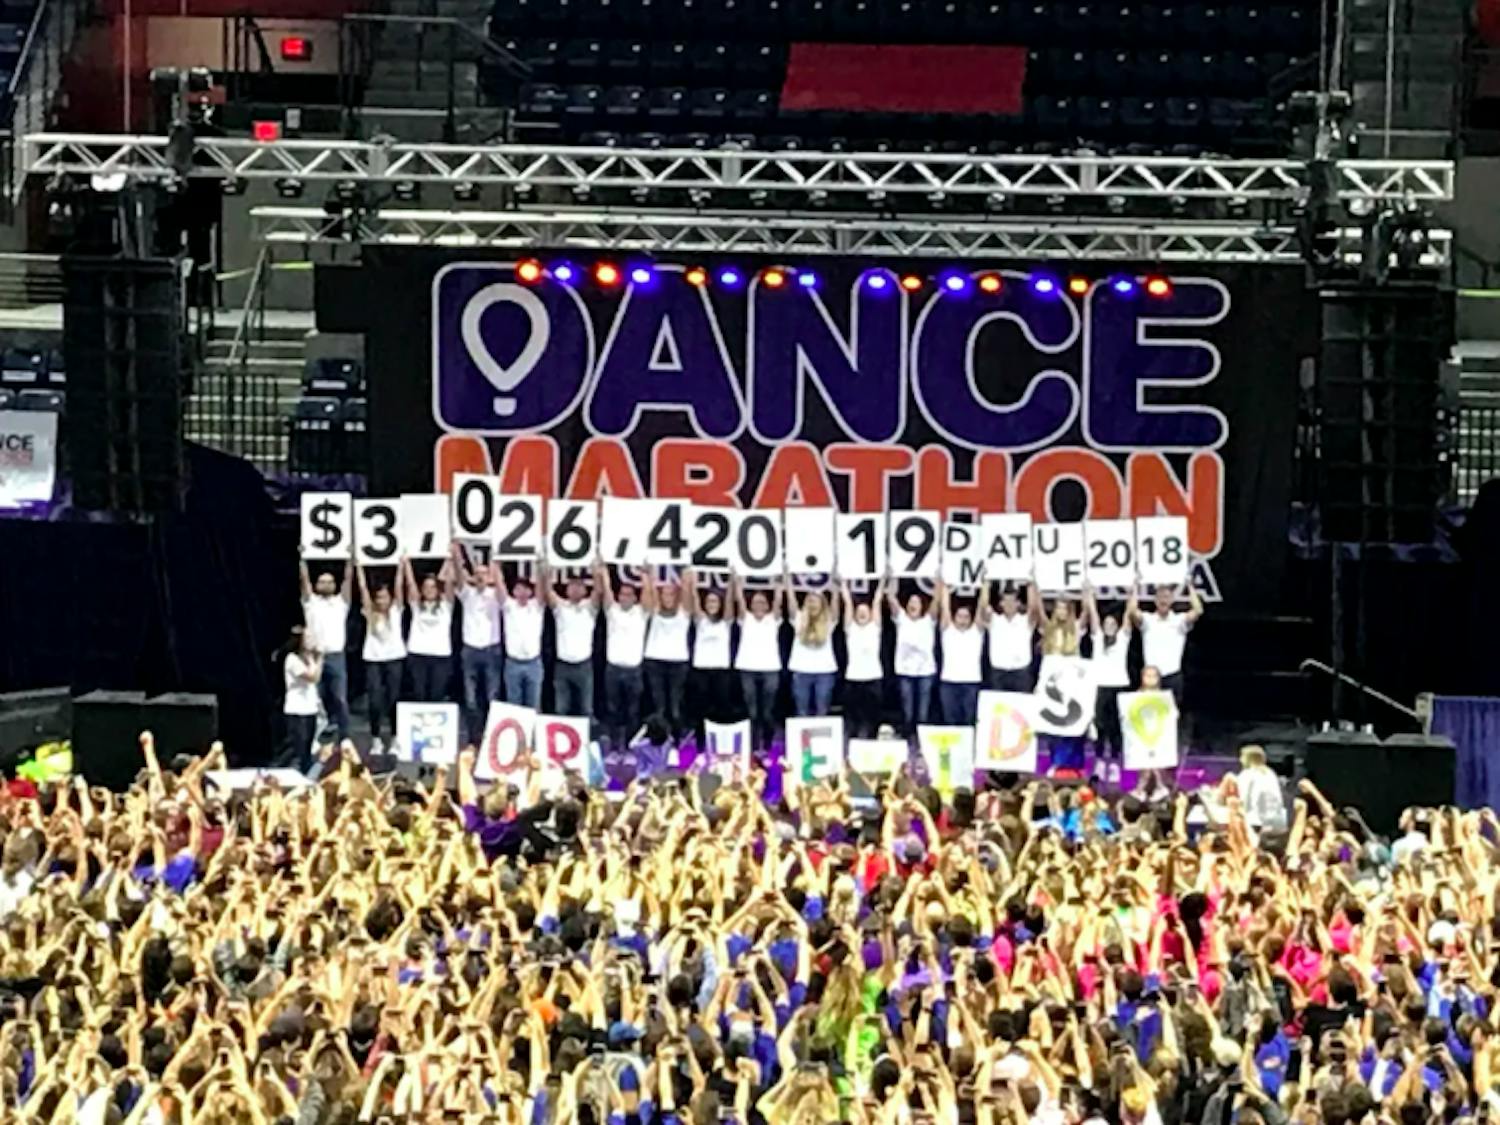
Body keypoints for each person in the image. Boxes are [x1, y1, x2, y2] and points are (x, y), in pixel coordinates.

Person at [453, 543, 503, 742]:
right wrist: (457, 554)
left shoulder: (496, 596)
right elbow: (458, 573)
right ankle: (474, 738)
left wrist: (496, 562)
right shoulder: (467, 594)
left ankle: (493, 736)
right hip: (471, 650)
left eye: (484, 573)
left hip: (491, 650)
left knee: (492, 697)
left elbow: (499, 583)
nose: (481, 576)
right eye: (477, 573)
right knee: (471, 699)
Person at [298, 555, 351, 741]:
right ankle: (315, 738)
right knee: (315, 700)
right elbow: (304, 580)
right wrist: (303, 560)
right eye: (322, 582)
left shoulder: (340, 603)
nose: (326, 585)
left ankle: (345, 738)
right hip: (314, 656)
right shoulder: (310, 602)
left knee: (340, 699)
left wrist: (350, 561)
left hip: (336, 655)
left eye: (329, 582)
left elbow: (348, 580)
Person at [731, 570, 784, 751]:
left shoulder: (773, 619)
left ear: (767, 605)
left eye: (762, 602)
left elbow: (778, 600)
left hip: (770, 668)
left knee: (767, 712)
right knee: (752, 711)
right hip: (747, 667)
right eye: (755, 602)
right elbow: (739, 599)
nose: (759, 604)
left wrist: (779, 583)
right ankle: (753, 746)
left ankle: (768, 744)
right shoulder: (745, 619)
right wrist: (737, 581)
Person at [356, 560, 405, 753]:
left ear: (390, 598)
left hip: (394, 658)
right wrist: (358, 567)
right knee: (375, 700)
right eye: (379, 598)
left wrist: (402, 565)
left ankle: (394, 738)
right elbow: (362, 589)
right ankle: (376, 738)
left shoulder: (396, 611)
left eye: (385, 597)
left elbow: (399, 585)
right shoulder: (370, 613)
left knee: (394, 699)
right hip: (373, 660)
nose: (382, 601)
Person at [1129, 581, 1205, 705]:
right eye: (1160, 597)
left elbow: (1198, 610)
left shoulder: (1179, 620)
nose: (1163, 600)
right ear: (1155, 600)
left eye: (1167, 597)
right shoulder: (1148, 620)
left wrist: (1190, 585)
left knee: (1171, 717)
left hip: (1172, 675)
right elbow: (1132, 611)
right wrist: (1136, 587)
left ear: (1172, 600)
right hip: (1151, 677)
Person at [1085, 583, 1132, 781]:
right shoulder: (1097, 639)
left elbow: (1129, 615)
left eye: (1113, 624)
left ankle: (1114, 762)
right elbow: (1093, 614)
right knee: (1100, 726)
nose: (1109, 626)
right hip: (1100, 687)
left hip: (1118, 686)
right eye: (1107, 624)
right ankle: (1099, 762)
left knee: (1115, 728)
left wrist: (1133, 593)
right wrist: (1089, 595)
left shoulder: (1122, 639)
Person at [599, 563, 647, 749]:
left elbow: (649, 597)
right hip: (613, 669)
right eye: (622, 594)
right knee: (613, 710)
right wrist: (603, 572)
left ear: (635, 598)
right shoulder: (613, 611)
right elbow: (607, 590)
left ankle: (630, 746)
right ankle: (613, 744)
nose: (625, 597)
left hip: (634, 670)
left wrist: (645, 575)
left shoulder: (641, 613)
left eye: (629, 594)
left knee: (633, 711)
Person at [684, 569, 734, 739]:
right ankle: (701, 744)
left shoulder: (726, 621)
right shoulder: (701, 620)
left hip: (720, 671)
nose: (712, 604)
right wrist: (692, 583)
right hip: (701, 671)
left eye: (715, 601)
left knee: (722, 709)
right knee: (701, 709)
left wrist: (732, 581)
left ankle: (722, 742)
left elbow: (729, 601)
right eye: (709, 601)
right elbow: (694, 598)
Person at [545, 566, 599, 719]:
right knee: (561, 709)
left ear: (585, 590)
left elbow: (599, 591)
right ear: (566, 589)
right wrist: (546, 569)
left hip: (584, 666)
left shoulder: (590, 607)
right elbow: (548, 592)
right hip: (563, 665)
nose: (575, 589)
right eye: (572, 585)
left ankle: (586, 741)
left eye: (579, 586)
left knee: (586, 709)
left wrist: (598, 570)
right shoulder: (561, 607)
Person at [642, 570, 691, 737]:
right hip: (655, 661)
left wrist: (687, 576)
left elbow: (688, 592)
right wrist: (649, 574)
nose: (667, 597)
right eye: (664, 594)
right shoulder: (654, 612)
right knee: (659, 707)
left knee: (675, 707)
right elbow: (649, 593)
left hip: (678, 663)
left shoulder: (683, 613)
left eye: (671, 594)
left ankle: (676, 742)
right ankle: (659, 741)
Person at [401, 553, 455, 702]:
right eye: (426, 586)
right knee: (419, 694)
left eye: (432, 587)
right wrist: (406, 563)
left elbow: (448, 582)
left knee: (437, 694)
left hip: (440, 655)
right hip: (418, 654)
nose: (429, 589)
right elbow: (410, 584)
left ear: (438, 589)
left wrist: (449, 560)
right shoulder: (417, 605)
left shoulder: (446, 605)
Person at [786, 573, 839, 717]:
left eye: (816, 601)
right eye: (810, 601)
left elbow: (835, 601)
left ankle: (821, 740)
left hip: (824, 672)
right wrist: (787, 576)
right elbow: (791, 598)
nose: (813, 604)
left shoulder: (829, 621)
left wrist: (835, 585)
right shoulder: (798, 619)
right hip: (801, 671)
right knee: (801, 711)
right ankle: (802, 740)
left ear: (822, 604)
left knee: (822, 710)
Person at [888, 583, 937, 736]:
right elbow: (891, 598)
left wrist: (940, 580)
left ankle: (921, 741)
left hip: (925, 672)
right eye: (911, 602)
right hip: (905, 672)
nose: (913, 605)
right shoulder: (901, 619)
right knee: (907, 711)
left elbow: (937, 600)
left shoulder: (928, 621)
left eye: (916, 602)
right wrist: (892, 577)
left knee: (923, 713)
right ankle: (909, 740)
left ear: (922, 606)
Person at [840, 576, 886, 738]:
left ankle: (871, 741)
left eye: (865, 612)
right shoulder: (850, 629)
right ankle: (852, 743)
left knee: (872, 716)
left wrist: (883, 579)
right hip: (853, 678)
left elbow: (877, 601)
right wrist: (843, 582)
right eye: (859, 612)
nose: (862, 614)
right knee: (853, 717)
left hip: (873, 677)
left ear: (870, 615)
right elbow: (847, 602)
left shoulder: (875, 628)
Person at [938, 580, 984, 724]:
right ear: (954, 617)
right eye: (959, 616)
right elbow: (944, 607)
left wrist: (984, 585)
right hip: (949, 682)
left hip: (971, 682)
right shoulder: (948, 631)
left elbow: (981, 608)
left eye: (966, 617)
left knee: (969, 721)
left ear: (971, 619)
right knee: (950, 720)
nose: (963, 620)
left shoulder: (976, 632)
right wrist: (945, 585)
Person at [499, 570, 545, 711]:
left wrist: (541, 566)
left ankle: (533, 733)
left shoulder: (537, 606)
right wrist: (496, 564)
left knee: (534, 705)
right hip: (513, 663)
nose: (522, 592)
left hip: (533, 664)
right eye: (518, 588)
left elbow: (543, 586)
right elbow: (499, 585)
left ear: (531, 591)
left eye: (525, 588)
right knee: (514, 706)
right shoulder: (508, 606)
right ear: (513, 592)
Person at [278, 625, 322, 770]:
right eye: (309, 638)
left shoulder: (310, 658)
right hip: (297, 710)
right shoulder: (292, 659)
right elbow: (313, 677)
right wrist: (320, 658)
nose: (313, 641)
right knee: (298, 749)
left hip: (310, 708)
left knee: (307, 750)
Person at [985, 579, 1036, 692]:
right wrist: (986, 584)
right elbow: (983, 608)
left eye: (1012, 601)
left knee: (1021, 708)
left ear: (1018, 603)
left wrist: (1030, 584)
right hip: (998, 673)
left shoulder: (1025, 621)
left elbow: (1033, 608)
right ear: (1001, 603)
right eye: (1006, 600)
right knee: (999, 708)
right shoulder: (995, 620)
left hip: (1021, 673)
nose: (1009, 604)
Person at [1235, 743, 1288, 832]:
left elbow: (1243, 798)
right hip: (1277, 822)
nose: (1240, 760)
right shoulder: (1270, 773)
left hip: (1255, 821)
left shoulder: (1247, 774)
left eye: (1242, 756)